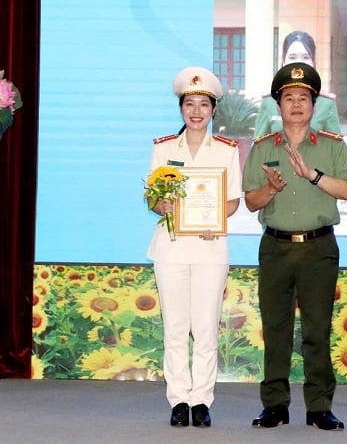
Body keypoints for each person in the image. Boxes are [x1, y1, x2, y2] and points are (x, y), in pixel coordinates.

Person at [243, 62, 347, 431]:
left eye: (304, 98)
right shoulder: (263, 149)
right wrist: (271, 190)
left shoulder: (331, 147)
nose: (296, 104)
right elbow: (251, 201)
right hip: (276, 248)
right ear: (279, 106)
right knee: (275, 330)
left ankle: (319, 407)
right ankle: (275, 405)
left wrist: (314, 176)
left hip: (318, 249)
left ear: (314, 106)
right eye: (289, 97)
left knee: (316, 329)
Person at [146, 66, 242, 428]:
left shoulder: (228, 151)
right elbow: (153, 197)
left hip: (210, 248)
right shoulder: (163, 148)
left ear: (213, 109)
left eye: (203, 104)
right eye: (190, 104)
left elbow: (232, 200)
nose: (196, 111)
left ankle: (201, 399)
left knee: (205, 328)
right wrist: (163, 206)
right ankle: (178, 399)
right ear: (181, 108)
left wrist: (212, 217)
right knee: (174, 326)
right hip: (170, 248)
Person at [252, 30, 341, 139]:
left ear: (313, 63)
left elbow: (337, 151)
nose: (299, 62)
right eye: (292, 57)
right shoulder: (269, 101)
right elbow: (258, 149)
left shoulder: (326, 103)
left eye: (305, 57)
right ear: (284, 62)